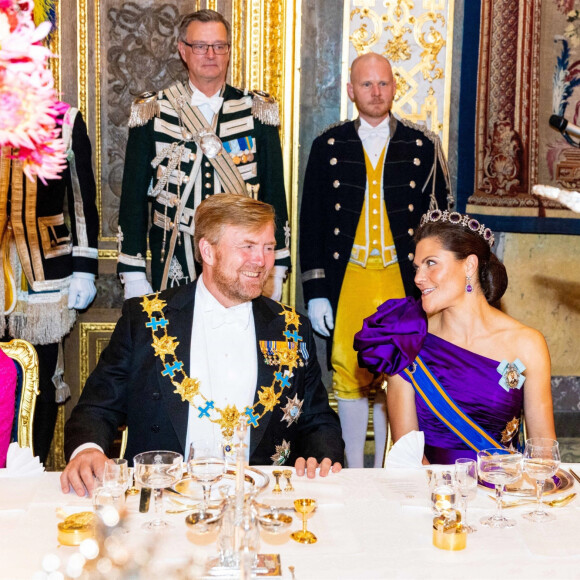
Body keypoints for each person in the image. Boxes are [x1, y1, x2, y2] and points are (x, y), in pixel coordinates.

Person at [61, 194, 344, 496]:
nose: (261, 261)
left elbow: (318, 420)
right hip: (163, 499)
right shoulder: (145, 320)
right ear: (207, 251)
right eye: (247, 246)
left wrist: (321, 455)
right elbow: (95, 408)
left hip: (258, 500)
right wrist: (87, 449)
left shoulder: (293, 328)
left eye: (268, 247)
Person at [299, 52, 453, 468]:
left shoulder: (422, 147)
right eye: (366, 84)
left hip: (403, 280)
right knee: (347, 369)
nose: (376, 91)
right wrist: (315, 292)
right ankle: (350, 467)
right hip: (346, 278)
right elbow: (310, 225)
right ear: (351, 91)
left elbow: (441, 227)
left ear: (394, 87)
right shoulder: (327, 145)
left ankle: (392, 467)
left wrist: (438, 283)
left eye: (383, 83)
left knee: (399, 368)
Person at [354, 210, 556, 464]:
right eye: (417, 267)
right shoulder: (405, 339)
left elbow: (544, 454)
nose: (418, 278)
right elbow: (409, 455)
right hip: (432, 495)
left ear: (469, 265)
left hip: (505, 493)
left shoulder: (527, 344)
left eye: (431, 263)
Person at [117, 9, 290, 302]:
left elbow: (273, 194)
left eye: (218, 46)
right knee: (179, 343)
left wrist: (279, 264)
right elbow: (133, 198)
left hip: (242, 256)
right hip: (175, 254)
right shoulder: (154, 111)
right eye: (200, 46)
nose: (210, 54)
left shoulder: (256, 111)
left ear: (228, 51)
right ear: (183, 50)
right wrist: (132, 270)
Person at [0, 105, 99, 464]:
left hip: (44, 268)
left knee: (38, 378)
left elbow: (81, 198)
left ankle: (31, 462)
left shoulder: (63, 120)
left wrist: (86, 267)